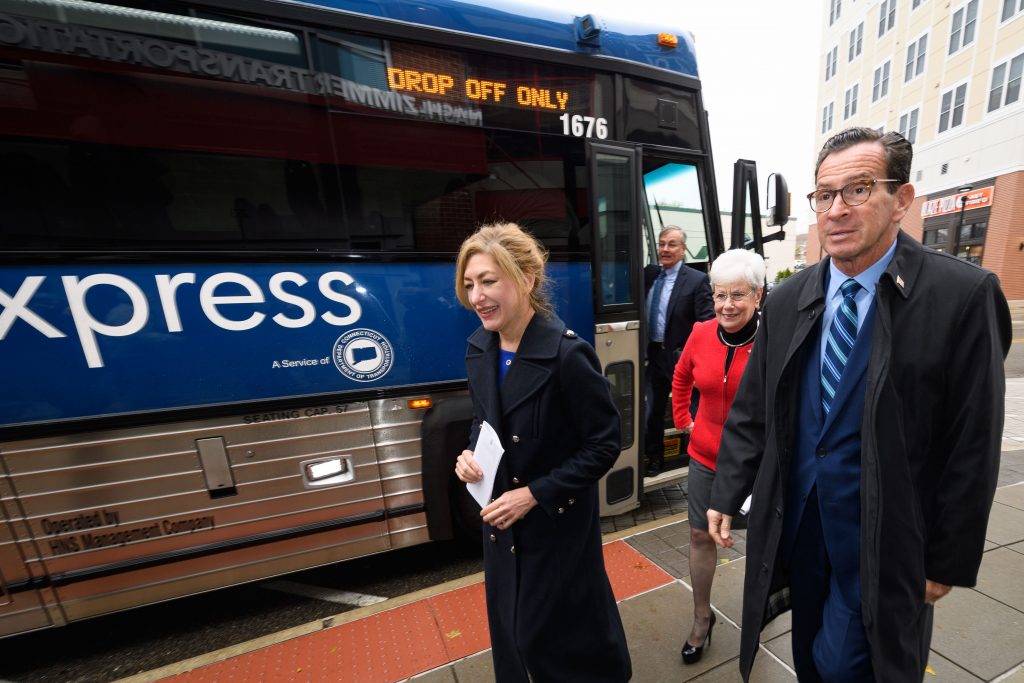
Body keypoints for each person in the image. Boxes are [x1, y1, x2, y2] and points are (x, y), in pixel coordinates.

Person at [706, 127, 1012, 682]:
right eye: (824, 195)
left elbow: (973, 443)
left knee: (850, 665)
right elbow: (754, 410)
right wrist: (729, 489)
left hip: (886, 538)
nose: (836, 210)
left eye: (859, 189)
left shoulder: (961, 296)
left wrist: (946, 559)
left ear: (902, 200)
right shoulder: (789, 299)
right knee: (811, 659)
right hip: (799, 526)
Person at [453, 223, 632, 683]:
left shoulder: (568, 356)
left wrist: (534, 493)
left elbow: (605, 443)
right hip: (501, 528)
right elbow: (485, 422)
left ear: (527, 278)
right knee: (512, 638)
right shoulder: (480, 349)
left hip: (555, 530)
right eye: (470, 283)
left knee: (553, 643)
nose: (477, 296)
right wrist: (469, 455)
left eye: (489, 280)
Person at [670, 248, 765, 665]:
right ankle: (701, 617)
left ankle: (761, 615)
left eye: (738, 295)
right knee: (699, 536)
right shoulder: (700, 331)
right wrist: (683, 418)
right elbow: (682, 374)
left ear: (758, 296)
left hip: (758, 464)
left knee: (763, 543)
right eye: (720, 295)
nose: (727, 305)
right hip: (706, 456)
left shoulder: (774, 337)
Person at [644, 226, 714, 475]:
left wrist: (693, 356)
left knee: (692, 411)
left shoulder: (696, 280)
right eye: (662, 244)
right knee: (651, 412)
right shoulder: (649, 275)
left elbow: (706, 322)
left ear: (683, 249)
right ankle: (654, 459)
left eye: (672, 244)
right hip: (653, 356)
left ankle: (698, 461)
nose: (665, 249)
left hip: (682, 359)